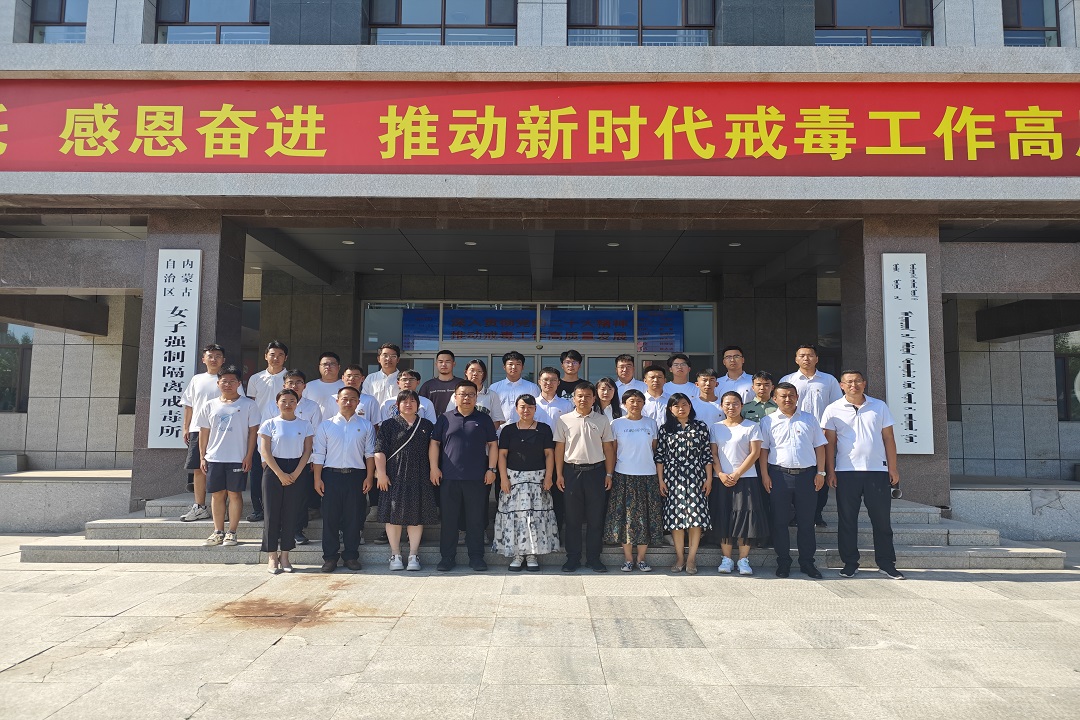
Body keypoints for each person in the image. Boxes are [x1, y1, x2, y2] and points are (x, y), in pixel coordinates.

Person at [821, 370, 905, 580]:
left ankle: (886, 563)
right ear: (841, 385)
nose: (854, 385)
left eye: (858, 381)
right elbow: (829, 444)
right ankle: (850, 563)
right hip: (846, 472)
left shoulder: (879, 406)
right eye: (849, 382)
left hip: (877, 471)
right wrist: (830, 471)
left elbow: (888, 438)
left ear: (864, 383)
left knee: (882, 520)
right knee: (847, 520)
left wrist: (893, 468)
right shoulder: (832, 409)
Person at [758, 382, 827, 579]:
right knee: (780, 521)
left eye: (791, 395)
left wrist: (821, 473)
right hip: (779, 476)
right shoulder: (768, 421)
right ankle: (783, 562)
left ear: (797, 397)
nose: (787, 399)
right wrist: (765, 475)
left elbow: (819, 447)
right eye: (783, 396)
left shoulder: (809, 419)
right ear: (775, 399)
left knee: (807, 522)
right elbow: (763, 451)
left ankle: (807, 563)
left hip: (807, 476)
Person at [430, 380, 499, 572]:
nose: (466, 398)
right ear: (455, 396)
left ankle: (476, 557)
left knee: (475, 520)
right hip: (449, 478)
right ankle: (447, 558)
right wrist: (434, 468)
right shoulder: (445, 418)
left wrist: (491, 469)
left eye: (470, 394)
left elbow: (493, 444)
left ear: (476, 397)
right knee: (449, 520)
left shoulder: (484, 419)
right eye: (462, 394)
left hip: (477, 478)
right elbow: (434, 443)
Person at [312, 386, 375, 573]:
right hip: (330, 476)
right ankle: (330, 557)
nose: (348, 402)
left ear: (358, 402)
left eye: (352, 399)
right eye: (345, 399)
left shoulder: (366, 425)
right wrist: (317, 479)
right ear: (337, 401)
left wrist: (369, 477)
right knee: (330, 518)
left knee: (354, 517)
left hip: (356, 476)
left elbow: (370, 454)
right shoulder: (326, 425)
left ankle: (351, 556)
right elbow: (318, 454)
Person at [373, 389, 438, 572]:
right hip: (394, 475)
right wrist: (381, 473)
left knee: (416, 515)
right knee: (393, 514)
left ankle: (413, 555)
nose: (408, 404)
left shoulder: (426, 425)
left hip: (420, 474)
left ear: (418, 405)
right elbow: (379, 450)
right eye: (404, 401)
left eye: (412, 401)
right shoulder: (388, 425)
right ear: (397, 405)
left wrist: (434, 469)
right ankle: (395, 554)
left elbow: (433, 448)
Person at [554, 381, 616, 573]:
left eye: (588, 396)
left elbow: (608, 449)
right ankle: (572, 558)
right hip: (571, 472)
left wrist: (609, 473)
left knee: (595, 518)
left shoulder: (602, 420)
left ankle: (593, 558)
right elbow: (559, 448)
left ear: (593, 398)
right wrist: (559, 474)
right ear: (573, 398)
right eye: (579, 396)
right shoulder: (564, 420)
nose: (583, 399)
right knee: (572, 518)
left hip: (596, 473)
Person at [197, 365, 261, 548]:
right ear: (218, 383)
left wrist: (249, 455)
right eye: (224, 381)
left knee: (234, 494)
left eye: (232, 381)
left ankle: (232, 532)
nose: (228, 384)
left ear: (239, 383)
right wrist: (202, 456)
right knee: (217, 494)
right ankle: (218, 531)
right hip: (214, 457)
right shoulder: (209, 405)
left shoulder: (249, 405)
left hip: (237, 457)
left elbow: (253, 432)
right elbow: (203, 432)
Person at [780, 344, 843, 528]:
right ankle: (795, 514)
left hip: (822, 435)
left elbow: (837, 408)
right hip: (795, 434)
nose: (806, 359)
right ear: (796, 359)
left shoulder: (828, 380)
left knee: (820, 473)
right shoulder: (788, 380)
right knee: (797, 476)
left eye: (810, 355)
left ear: (816, 358)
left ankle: (817, 514)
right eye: (802, 355)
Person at [494, 394, 558, 571]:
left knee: (535, 518)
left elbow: (549, 454)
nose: (526, 410)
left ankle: (531, 555)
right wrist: (503, 478)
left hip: (538, 479)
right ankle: (517, 554)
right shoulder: (508, 430)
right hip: (513, 479)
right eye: (522, 407)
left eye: (530, 407)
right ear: (516, 409)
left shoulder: (544, 429)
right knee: (516, 518)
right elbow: (502, 455)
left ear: (535, 409)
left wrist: (549, 477)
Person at [604, 389, 663, 572]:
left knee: (646, 517)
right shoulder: (616, 424)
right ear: (624, 403)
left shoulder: (651, 423)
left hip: (648, 475)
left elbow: (654, 449)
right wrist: (610, 474)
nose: (635, 404)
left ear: (644, 403)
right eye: (631, 401)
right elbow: (613, 451)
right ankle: (628, 559)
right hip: (623, 475)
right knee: (626, 517)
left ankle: (642, 559)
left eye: (639, 401)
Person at [653, 393, 713, 574]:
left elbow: (707, 454)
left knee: (696, 517)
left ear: (690, 406)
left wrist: (709, 478)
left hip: (696, 476)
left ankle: (692, 558)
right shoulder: (665, 429)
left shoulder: (700, 427)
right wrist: (661, 480)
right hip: (672, 477)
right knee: (676, 518)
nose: (681, 408)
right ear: (670, 409)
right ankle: (680, 557)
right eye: (676, 405)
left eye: (684, 404)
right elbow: (660, 456)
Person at [709, 391, 767, 576]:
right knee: (724, 516)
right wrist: (720, 473)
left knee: (745, 518)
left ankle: (743, 559)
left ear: (742, 405)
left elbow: (755, 453)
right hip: (721, 479)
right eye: (727, 404)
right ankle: (726, 558)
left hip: (746, 478)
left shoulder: (752, 426)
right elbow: (713, 453)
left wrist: (737, 474)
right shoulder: (716, 427)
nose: (731, 407)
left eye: (735, 403)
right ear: (721, 406)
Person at [180, 344, 239, 522]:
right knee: (199, 468)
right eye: (210, 356)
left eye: (218, 356)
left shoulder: (228, 379)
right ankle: (199, 507)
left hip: (223, 431)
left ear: (223, 360)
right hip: (198, 429)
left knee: (222, 469)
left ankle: (223, 508)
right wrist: (186, 427)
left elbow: (238, 403)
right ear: (203, 359)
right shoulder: (197, 379)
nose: (214, 359)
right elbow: (189, 405)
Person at [257, 389, 313, 574]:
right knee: (271, 514)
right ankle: (272, 556)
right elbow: (265, 451)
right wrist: (280, 473)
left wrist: (296, 473)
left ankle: (285, 555)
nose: (288, 404)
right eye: (284, 401)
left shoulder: (305, 424)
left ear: (297, 404)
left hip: (297, 469)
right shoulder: (269, 424)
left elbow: (307, 451)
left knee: (291, 513)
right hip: (274, 469)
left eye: (292, 401)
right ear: (277, 403)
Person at [245, 340, 289, 523]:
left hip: (285, 432)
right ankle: (259, 509)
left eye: (280, 355)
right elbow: (250, 406)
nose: (276, 358)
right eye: (272, 354)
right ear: (265, 356)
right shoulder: (256, 379)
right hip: (260, 432)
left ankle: (283, 509)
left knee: (282, 471)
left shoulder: (290, 379)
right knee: (257, 472)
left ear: (286, 358)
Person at [277, 370, 323, 546]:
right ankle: (278, 530)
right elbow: (263, 435)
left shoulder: (312, 407)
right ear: (284, 385)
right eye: (290, 382)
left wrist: (314, 459)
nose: (294, 385)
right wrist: (265, 461)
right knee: (278, 497)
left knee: (300, 497)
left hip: (303, 458)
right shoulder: (274, 405)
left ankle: (297, 530)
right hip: (277, 458)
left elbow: (317, 434)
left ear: (304, 386)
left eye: (298, 382)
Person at [535, 366, 572, 539]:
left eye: (553, 380)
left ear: (558, 383)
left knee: (558, 496)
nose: (549, 383)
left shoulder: (566, 404)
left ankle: (556, 534)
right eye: (545, 380)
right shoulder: (531, 404)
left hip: (560, 454)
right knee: (537, 496)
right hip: (535, 455)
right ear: (539, 382)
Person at [446, 358, 507, 428]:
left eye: (479, 371)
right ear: (466, 372)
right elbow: (449, 417)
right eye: (472, 370)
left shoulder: (492, 395)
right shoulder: (457, 395)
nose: (475, 374)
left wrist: (488, 433)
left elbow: (496, 421)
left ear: (483, 374)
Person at [490, 350, 541, 423]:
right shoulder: (494, 388)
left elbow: (538, 411)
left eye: (518, 364)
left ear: (522, 367)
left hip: (525, 428)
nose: (514, 367)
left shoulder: (532, 388)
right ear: (504, 367)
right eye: (510, 364)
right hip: (500, 428)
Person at [418, 349, 461, 416]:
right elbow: (420, 408)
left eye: (447, 362)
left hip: (456, 421)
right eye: (440, 362)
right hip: (433, 422)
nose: (444, 364)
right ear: (436, 364)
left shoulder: (461, 385)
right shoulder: (428, 385)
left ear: (454, 364)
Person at [305, 351, 345, 421]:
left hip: (340, 425)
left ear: (339, 367)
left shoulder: (346, 386)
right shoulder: (309, 386)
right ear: (319, 367)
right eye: (324, 364)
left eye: (332, 364)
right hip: (314, 425)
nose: (328, 367)